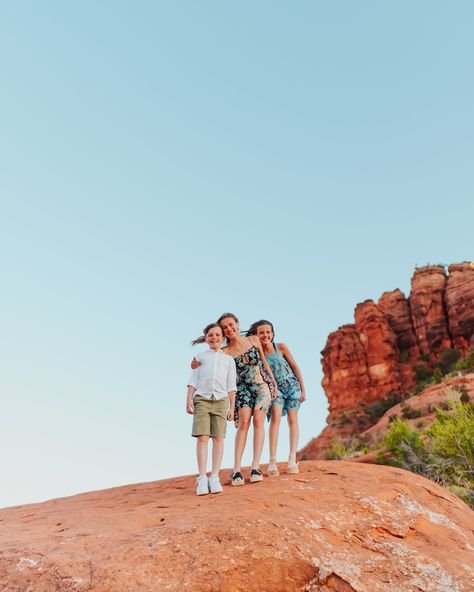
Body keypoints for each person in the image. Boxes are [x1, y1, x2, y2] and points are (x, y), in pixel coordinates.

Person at [191, 312, 277, 486]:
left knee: (259, 421)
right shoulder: (225, 352)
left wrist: (273, 382)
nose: (229, 329)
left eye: (231, 324)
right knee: (244, 423)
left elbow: (263, 361)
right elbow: (209, 365)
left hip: (261, 385)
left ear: (237, 324)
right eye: (225, 327)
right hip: (241, 388)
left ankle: (255, 467)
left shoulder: (253, 340)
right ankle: (236, 469)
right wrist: (195, 365)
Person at [247, 319, 306, 475]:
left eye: (268, 332)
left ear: (272, 333)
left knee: (293, 420)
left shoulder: (281, 347)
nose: (265, 335)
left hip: (292, 386)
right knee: (276, 419)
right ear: (256, 334)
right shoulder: (258, 353)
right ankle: (272, 461)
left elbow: (295, 367)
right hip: (275, 390)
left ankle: (292, 458)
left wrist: (303, 389)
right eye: (262, 332)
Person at [187, 323, 236, 495]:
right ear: (206, 338)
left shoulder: (228, 360)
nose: (214, 338)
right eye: (210, 335)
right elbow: (193, 380)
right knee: (202, 437)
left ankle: (214, 476)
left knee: (218, 438)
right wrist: (188, 400)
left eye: (217, 335)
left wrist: (232, 407)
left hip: (221, 400)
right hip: (202, 399)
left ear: (223, 338)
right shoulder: (200, 357)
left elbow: (231, 385)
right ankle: (202, 477)